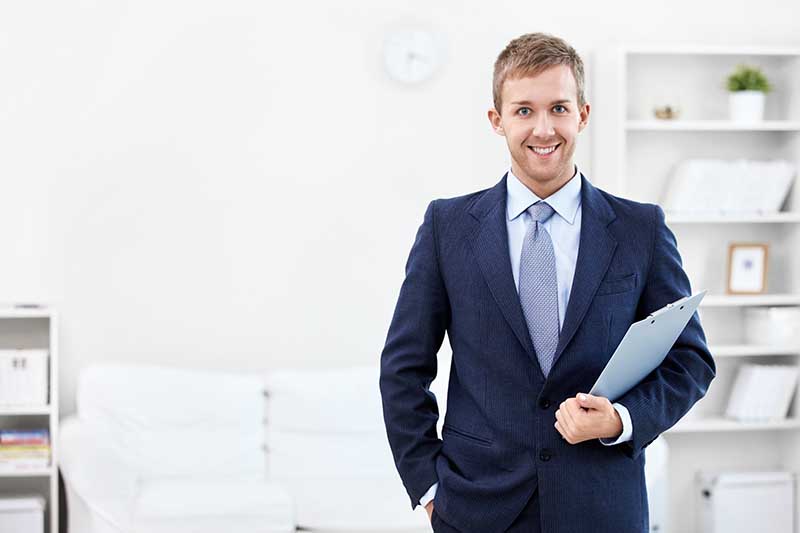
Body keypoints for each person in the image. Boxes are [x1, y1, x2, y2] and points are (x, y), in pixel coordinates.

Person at [378, 32, 715, 533]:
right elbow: (404, 369)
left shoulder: (640, 229)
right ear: (497, 120)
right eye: (523, 110)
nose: (543, 127)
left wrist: (621, 419)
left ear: (582, 114)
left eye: (559, 107)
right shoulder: (447, 227)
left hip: (601, 507)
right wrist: (429, 489)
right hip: (476, 509)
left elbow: (690, 361)